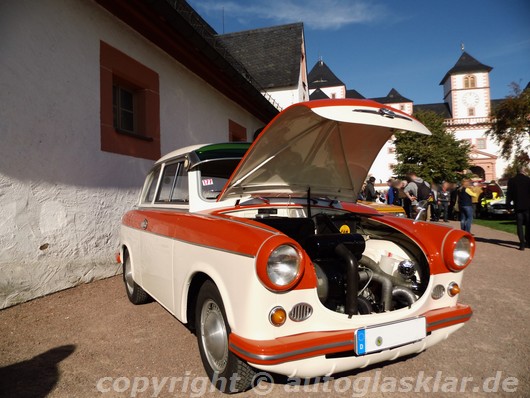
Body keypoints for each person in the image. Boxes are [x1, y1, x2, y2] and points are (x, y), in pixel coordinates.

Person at [506, 168, 530, 251]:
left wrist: (508, 205)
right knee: (528, 224)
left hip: (518, 206)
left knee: (519, 225)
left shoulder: (512, 181)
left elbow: (509, 194)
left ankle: (522, 243)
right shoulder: (528, 180)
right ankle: (528, 241)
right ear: (524, 172)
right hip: (528, 206)